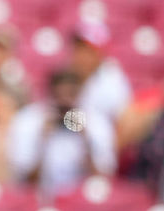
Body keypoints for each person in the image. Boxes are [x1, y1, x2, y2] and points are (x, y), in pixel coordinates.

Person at [7, 68, 116, 198]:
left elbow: (102, 180)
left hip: (82, 199)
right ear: (50, 96)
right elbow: (26, 182)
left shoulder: (96, 123)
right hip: (41, 197)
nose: (64, 102)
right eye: (59, 96)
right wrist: (43, 140)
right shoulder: (29, 120)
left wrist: (85, 138)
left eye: (71, 95)